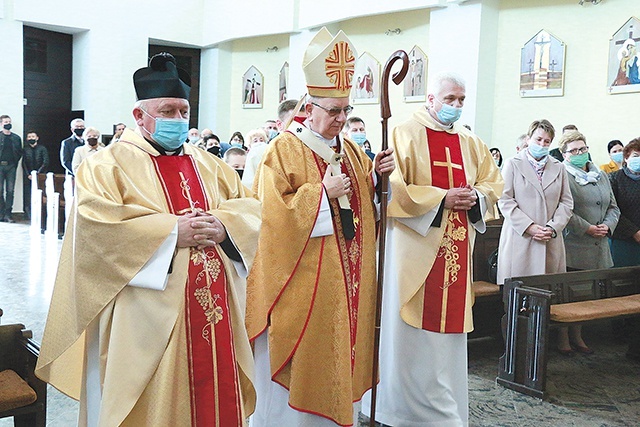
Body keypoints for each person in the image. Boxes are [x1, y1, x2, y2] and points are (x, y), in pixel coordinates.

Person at [35, 52, 260, 426]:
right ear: (140, 116)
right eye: (167, 111)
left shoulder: (212, 165)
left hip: (215, 313)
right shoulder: (106, 165)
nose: (178, 119)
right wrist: (173, 232)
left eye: (183, 111)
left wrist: (223, 226)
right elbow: (96, 229)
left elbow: (249, 208)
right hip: (144, 317)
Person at [246, 27, 394, 427]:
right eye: (333, 111)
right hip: (304, 282)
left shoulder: (351, 150)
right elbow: (269, 217)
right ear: (309, 108)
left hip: (347, 282)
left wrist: (377, 179)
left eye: (346, 109)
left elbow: (365, 212)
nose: (342, 119)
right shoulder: (284, 148)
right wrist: (319, 193)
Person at [362, 72, 503, 426]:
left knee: (446, 341)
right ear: (430, 98)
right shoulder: (405, 132)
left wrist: (476, 197)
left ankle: (445, 405)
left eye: (460, 100)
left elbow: (492, 180)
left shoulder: (470, 141)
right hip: (415, 249)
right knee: (411, 334)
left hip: (456, 247)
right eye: (450, 98)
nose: (455, 106)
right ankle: (403, 408)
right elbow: (392, 188)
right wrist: (442, 198)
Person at [559, 130, 620, 355]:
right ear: (564, 154)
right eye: (573, 150)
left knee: (587, 294)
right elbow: (564, 209)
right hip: (575, 243)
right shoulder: (563, 175)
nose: (579, 153)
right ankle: (564, 337)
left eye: (582, 149)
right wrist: (587, 227)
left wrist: (608, 225)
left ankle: (579, 335)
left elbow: (613, 206)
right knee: (570, 293)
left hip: (600, 243)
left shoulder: (600, 174)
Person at [497, 119, 573, 284]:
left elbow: (566, 202)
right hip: (521, 237)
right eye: (538, 139)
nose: (542, 144)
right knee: (520, 294)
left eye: (547, 141)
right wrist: (529, 227)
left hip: (549, 237)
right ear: (528, 139)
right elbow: (504, 199)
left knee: (550, 290)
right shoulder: (512, 164)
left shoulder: (559, 167)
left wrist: (553, 227)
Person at [609, 138, 640, 361]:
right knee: (623, 287)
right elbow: (613, 210)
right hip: (623, 241)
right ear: (626, 157)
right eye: (636, 156)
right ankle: (620, 332)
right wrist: (635, 232)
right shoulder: (615, 179)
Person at [242, 99, 303, 188]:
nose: (300, 128)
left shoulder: (313, 150)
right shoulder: (259, 152)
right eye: (294, 122)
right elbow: (249, 188)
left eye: (304, 123)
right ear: (279, 125)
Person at [22, 130, 50, 219]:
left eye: (33, 137)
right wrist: (28, 175)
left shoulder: (42, 148)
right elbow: (24, 163)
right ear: (27, 138)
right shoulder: (25, 149)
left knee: (40, 193)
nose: (31, 138)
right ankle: (29, 214)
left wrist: (38, 173)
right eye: (29, 137)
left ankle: (41, 214)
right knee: (28, 194)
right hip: (28, 176)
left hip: (40, 176)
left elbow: (46, 162)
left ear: (37, 138)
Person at [0, 115, 23, 222]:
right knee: (0, 191)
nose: (8, 123)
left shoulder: (16, 138)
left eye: (9, 121)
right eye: (5, 122)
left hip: (11, 166)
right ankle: (1, 213)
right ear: (1, 124)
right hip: (0, 166)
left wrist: (14, 164)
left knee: (10, 191)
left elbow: (19, 152)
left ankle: (8, 214)